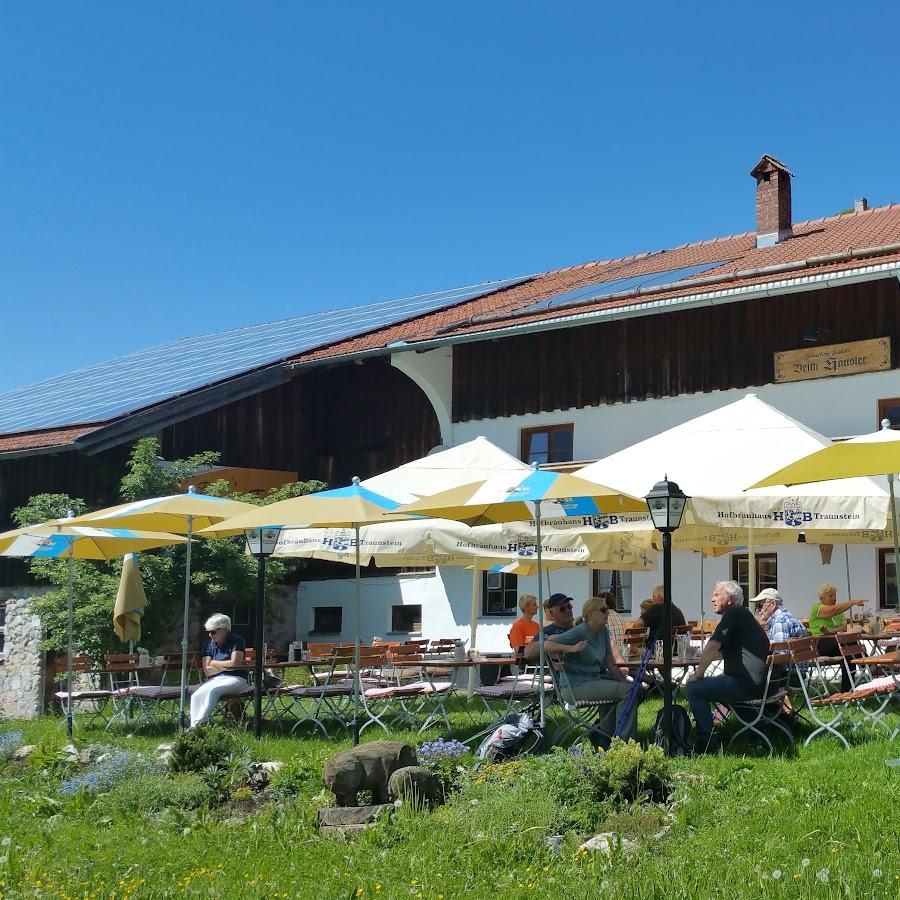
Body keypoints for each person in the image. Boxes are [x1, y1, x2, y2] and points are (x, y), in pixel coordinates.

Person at [685, 580, 770, 753]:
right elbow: (720, 649)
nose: (712, 599)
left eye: (717, 594)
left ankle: (707, 742)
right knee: (717, 683)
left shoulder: (734, 614)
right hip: (759, 683)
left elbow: (713, 645)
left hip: (745, 685)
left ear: (730, 599)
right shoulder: (742, 615)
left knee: (694, 688)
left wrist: (699, 673)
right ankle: (758, 728)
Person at [546, 595, 640, 742]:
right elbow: (547, 645)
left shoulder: (603, 631)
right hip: (575, 687)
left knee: (631, 688)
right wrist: (571, 648)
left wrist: (624, 681)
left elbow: (610, 663)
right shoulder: (580, 631)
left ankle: (607, 738)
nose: (608, 613)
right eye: (603, 610)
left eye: (607, 609)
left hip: (593, 681)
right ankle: (625, 743)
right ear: (591, 614)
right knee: (629, 692)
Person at [190, 614, 249, 728]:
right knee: (196, 696)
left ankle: (199, 723)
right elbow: (207, 671)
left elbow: (235, 664)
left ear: (224, 630)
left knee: (214, 692)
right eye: (208, 632)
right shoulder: (208, 645)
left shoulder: (237, 640)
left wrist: (214, 663)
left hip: (237, 679)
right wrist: (227, 664)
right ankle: (193, 727)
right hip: (216, 679)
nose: (210, 635)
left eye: (213, 632)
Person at [809, 583, 865, 691]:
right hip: (820, 644)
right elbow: (833, 611)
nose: (834, 598)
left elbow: (844, 628)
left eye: (835, 596)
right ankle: (872, 668)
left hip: (836, 643)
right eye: (830, 596)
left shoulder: (838, 610)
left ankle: (847, 690)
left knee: (850, 653)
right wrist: (853, 602)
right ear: (822, 598)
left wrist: (829, 631)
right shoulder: (817, 608)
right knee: (851, 646)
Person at [522, 592, 575, 662]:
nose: (568, 610)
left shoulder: (578, 628)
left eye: (569, 607)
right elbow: (528, 654)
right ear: (552, 613)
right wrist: (551, 642)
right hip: (558, 671)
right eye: (562, 609)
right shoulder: (547, 631)